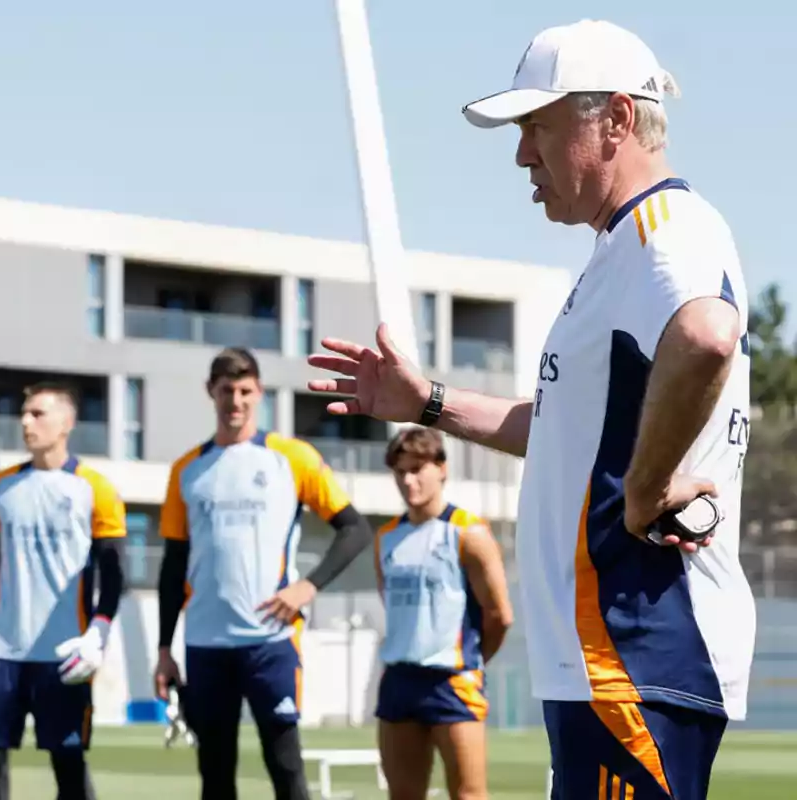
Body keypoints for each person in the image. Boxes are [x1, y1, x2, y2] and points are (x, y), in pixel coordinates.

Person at [307, 19, 753, 800]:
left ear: (616, 119)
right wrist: (429, 403)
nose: (522, 155)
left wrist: (645, 491)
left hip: (633, 652)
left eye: (537, 127)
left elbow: (708, 335)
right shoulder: (622, 251)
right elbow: (563, 434)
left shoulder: (663, 231)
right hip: (609, 661)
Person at [153, 347, 375, 800]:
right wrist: (163, 648)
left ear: (260, 394)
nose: (235, 401)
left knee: (285, 767)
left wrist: (307, 586)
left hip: (270, 640)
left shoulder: (291, 458)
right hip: (206, 644)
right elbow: (174, 565)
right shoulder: (186, 470)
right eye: (225, 391)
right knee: (215, 775)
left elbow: (355, 529)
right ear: (210, 393)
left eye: (244, 391)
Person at [0, 382, 127, 800]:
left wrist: (98, 633)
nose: (26, 422)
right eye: (24, 413)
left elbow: (113, 570)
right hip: (2, 651)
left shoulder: (95, 488)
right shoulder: (0, 488)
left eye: (37, 414)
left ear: (66, 423)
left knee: (67, 763)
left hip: (64, 653)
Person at [373, 428, 513, 800]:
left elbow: (499, 614)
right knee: (402, 795)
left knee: (468, 795)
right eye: (400, 471)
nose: (408, 480)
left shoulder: (468, 532)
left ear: (442, 469)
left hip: (452, 681)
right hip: (399, 679)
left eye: (417, 468)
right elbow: (391, 603)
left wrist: (472, 661)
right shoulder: (386, 537)